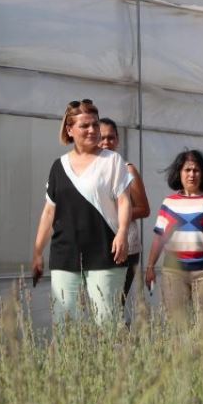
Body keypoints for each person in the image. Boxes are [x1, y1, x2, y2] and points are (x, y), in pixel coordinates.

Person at [32, 99, 132, 325]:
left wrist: (123, 232)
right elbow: (49, 212)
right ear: (70, 130)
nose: (92, 130)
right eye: (85, 125)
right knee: (65, 323)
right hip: (65, 255)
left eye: (95, 125)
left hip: (105, 253)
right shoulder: (58, 167)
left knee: (107, 323)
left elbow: (125, 201)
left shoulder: (112, 161)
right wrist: (38, 251)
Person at [145, 150, 203, 327]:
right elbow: (159, 239)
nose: (191, 175)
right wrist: (150, 266)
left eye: (196, 170)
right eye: (187, 170)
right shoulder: (168, 203)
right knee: (177, 327)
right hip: (173, 273)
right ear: (179, 173)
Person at [98, 117, 151, 313]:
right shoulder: (89, 171)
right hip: (97, 246)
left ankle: (120, 341)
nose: (106, 143)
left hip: (125, 247)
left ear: (118, 140)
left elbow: (144, 208)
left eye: (111, 138)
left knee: (115, 305)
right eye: (101, 138)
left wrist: (112, 214)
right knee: (99, 304)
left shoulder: (127, 169)